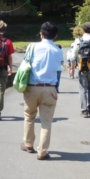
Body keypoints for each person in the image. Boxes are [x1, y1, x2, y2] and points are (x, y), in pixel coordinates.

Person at [20, 22, 63, 160]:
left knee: (29, 116)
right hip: (50, 89)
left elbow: (26, 64)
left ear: (41, 34)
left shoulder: (32, 47)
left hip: (32, 87)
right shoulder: (58, 51)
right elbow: (59, 67)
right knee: (46, 122)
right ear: (55, 36)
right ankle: (42, 152)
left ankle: (28, 144)